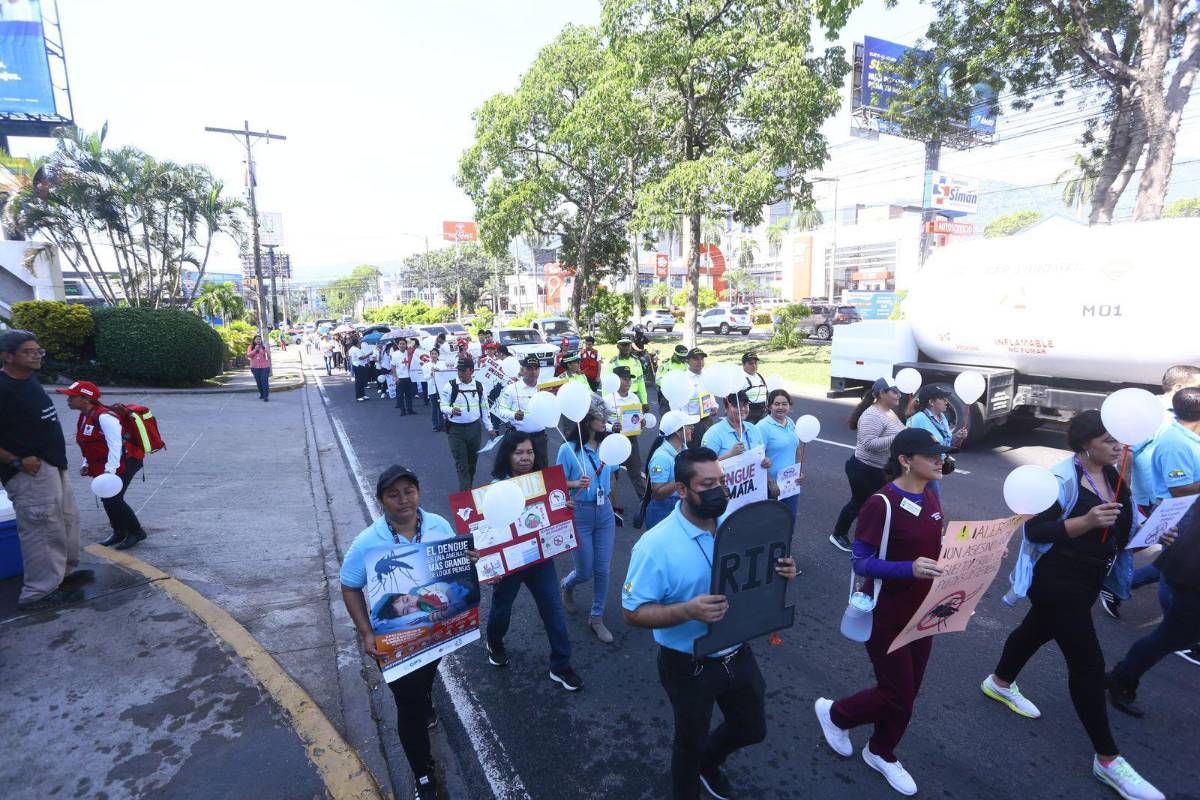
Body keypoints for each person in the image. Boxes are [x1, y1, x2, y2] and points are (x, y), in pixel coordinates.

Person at [983, 411, 1163, 800]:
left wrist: (1155, 528)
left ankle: (998, 682)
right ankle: (1108, 760)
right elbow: (1034, 529)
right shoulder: (1061, 478)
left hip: (1089, 579)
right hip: (1055, 580)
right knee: (1088, 665)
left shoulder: (1115, 475)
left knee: (1035, 632)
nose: (1118, 446)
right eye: (1108, 440)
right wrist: (1085, 522)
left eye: (1118, 439)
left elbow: (1120, 526)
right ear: (1086, 444)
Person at [623, 447, 798, 800]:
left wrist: (784, 573)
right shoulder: (654, 547)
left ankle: (709, 762)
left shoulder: (740, 524)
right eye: (708, 484)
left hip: (738, 650)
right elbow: (632, 612)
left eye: (721, 481)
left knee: (752, 728)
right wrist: (687, 611)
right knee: (689, 743)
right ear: (683, 490)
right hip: (687, 664)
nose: (720, 489)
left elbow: (758, 572)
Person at [814, 428, 953, 797]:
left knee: (909, 691)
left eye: (941, 454)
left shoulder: (930, 497)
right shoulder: (882, 503)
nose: (940, 460)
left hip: (924, 611)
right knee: (897, 694)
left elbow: (937, 549)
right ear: (906, 460)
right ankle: (836, 714)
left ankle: (880, 750)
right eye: (931, 455)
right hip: (886, 612)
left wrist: (975, 558)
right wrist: (908, 569)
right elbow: (861, 562)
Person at [339, 465, 457, 800]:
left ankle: (425, 701)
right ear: (381, 501)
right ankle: (423, 775)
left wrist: (468, 559)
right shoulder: (366, 542)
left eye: (409, 492)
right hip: (392, 642)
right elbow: (349, 586)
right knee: (408, 705)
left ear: (419, 493)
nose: (403, 500)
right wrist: (365, 633)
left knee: (423, 686)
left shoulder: (438, 525)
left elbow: (452, 567)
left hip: (435, 634)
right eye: (394, 494)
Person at [483, 432, 583, 691]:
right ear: (507, 455)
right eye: (519, 453)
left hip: (540, 558)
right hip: (510, 564)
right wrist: (489, 562)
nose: (525, 457)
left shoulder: (543, 482)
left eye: (529, 452)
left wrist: (564, 508)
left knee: (553, 609)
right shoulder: (496, 488)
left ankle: (561, 665)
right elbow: (486, 530)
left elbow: (553, 511)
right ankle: (494, 642)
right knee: (502, 609)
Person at [0, 331, 89, 610]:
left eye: (39, 351)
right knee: (41, 529)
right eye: (29, 352)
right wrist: (15, 461)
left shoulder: (28, 380)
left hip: (53, 464)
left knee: (66, 521)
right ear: (7, 356)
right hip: (28, 471)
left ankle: (62, 574)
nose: (37, 356)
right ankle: (38, 592)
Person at [1103, 365, 1200, 619]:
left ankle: (1116, 582)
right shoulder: (1154, 417)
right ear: (1180, 388)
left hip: (1176, 501)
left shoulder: (1185, 416)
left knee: (1169, 558)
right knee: (1160, 556)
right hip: (1157, 497)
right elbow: (1126, 453)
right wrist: (1126, 495)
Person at [1108, 513, 1200, 716]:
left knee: (1172, 636)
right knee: (1170, 637)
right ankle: (1121, 679)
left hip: (1186, 567)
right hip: (1191, 574)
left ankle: (1121, 676)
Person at [558, 395, 621, 644]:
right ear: (587, 420)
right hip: (579, 513)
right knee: (585, 570)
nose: (604, 421)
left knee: (603, 569)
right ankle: (567, 584)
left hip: (603, 512)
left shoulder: (609, 446)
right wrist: (574, 484)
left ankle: (596, 618)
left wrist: (616, 507)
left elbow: (614, 476)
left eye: (605, 417)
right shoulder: (568, 449)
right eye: (599, 417)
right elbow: (556, 484)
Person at [56, 381, 148, 550]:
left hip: (126, 461)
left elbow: (115, 444)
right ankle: (119, 532)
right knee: (108, 499)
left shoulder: (104, 416)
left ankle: (136, 532)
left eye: (71, 397)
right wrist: (86, 462)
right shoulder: (85, 415)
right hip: (109, 463)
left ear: (86, 399)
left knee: (114, 499)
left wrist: (110, 472)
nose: (67, 400)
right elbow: (89, 443)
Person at [830, 377, 905, 552]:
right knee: (859, 503)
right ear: (882, 393)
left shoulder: (889, 412)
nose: (899, 395)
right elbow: (869, 444)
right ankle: (838, 534)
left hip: (880, 469)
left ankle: (876, 538)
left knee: (880, 505)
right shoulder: (872, 415)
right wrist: (898, 438)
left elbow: (901, 429)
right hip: (863, 469)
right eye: (895, 391)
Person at [439, 356, 496, 491]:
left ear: (471, 371)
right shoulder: (450, 385)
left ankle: (468, 486)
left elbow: (485, 408)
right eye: (458, 370)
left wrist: (490, 428)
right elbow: (443, 405)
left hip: (474, 429)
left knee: (472, 463)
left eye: (463, 370)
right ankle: (466, 494)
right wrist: (450, 410)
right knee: (462, 464)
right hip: (455, 431)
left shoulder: (479, 386)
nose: (460, 373)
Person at [638, 410, 695, 531]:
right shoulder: (661, 458)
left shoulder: (684, 449)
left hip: (682, 504)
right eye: (688, 427)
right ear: (678, 433)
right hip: (664, 511)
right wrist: (682, 478)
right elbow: (658, 493)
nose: (692, 429)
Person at [494, 355, 550, 465]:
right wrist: (513, 415)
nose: (533, 371)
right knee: (520, 469)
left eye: (536, 368)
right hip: (519, 438)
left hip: (540, 438)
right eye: (529, 368)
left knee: (542, 470)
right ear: (522, 370)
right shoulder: (512, 388)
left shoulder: (545, 388)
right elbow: (501, 410)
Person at [759, 389, 805, 519]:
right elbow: (758, 457)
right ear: (769, 406)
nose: (780, 407)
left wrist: (799, 471)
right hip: (772, 487)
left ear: (789, 406)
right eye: (776, 404)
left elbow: (797, 448)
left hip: (790, 484)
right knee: (771, 523)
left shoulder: (790, 422)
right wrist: (770, 482)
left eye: (784, 404)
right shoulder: (762, 427)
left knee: (789, 520)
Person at [605, 365, 648, 501]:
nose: (629, 382)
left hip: (630, 439)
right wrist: (611, 427)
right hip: (612, 439)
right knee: (611, 474)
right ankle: (611, 505)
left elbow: (639, 419)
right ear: (616, 380)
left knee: (635, 472)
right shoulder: (607, 400)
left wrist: (642, 422)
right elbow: (600, 422)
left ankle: (644, 503)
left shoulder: (634, 398)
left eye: (630, 379)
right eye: (625, 379)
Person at [702, 389, 771, 472]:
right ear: (726, 408)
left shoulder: (753, 429)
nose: (742, 409)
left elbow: (761, 455)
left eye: (745, 405)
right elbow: (704, 466)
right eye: (736, 406)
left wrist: (765, 461)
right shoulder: (713, 433)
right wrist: (730, 455)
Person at [906, 385, 955, 500]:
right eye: (942, 398)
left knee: (928, 503)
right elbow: (906, 444)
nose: (946, 402)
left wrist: (957, 437)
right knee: (932, 503)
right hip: (922, 469)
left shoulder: (942, 418)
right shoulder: (917, 419)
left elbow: (944, 441)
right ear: (931, 402)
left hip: (935, 467)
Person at [683, 348, 719, 448]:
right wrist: (685, 425)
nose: (700, 362)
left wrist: (715, 406)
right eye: (696, 359)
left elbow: (710, 393)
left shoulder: (707, 375)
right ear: (688, 361)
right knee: (694, 453)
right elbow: (677, 404)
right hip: (691, 423)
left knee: (710, 448)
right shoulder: (683, 378)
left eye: (702, 359)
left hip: (707, 420)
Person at [609, 337, 650, 414]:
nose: (627, 347)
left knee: (635, 423)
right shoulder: (613, 363)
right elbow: (607, 385)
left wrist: (644, 401)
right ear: (618, 346)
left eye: (628, 345)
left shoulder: (636, 361)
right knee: (620, 424)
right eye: (624, 345)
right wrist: (607, 403)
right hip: (619, 399)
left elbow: (641, 382)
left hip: (634, 398)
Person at [657, 343, 689, 416]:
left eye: (684, 357)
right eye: (680, 357)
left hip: (682, 395)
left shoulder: (686, 364)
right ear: (674, 354)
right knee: (666, 416)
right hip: (667, 395)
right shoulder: (666, 363)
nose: (682, 359)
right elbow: (658, 380)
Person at [740, 352, 768, 423]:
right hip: (747, 415)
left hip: (763, 413)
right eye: (750, 363)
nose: (754, 365)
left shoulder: (759, 376)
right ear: (743, 365)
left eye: (756, 363)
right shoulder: (740, 379)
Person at [393, 338, 418, 416]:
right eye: (400, 344)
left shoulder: (409, 353)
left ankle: (409, 409)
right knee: (400, 395)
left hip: (409, 377)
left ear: (406, 345)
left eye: (403, 344)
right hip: (400, 378)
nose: (401, 345)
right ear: (398, 345)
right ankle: (402, 410)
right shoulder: (395, 354)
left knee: (409, 395)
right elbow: (393, 366)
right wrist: (395, 377)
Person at [247, 334, 272, 402]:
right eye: (257, 339)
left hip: (265, 367)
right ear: (254, 340)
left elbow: (269, 357)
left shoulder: (264, 347)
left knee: (264, 381)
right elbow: (249, 355)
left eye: (259, 339)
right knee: (259, 382)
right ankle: (262, 394)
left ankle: (266, 396)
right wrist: (255, 350)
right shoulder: (251, 347)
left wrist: (266, 349)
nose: (258, 340)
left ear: (261, 340)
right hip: (255, 367)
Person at [348, 336, 372, 402]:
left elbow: (350, 356)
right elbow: (361, 357)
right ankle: (358, 396)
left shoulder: (352, 348)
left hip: (357, 365)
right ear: (357, 343)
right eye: (359, 342)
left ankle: (362, 395)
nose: (360, 343)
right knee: (359, 381)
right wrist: (369, 354)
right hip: (359, 366)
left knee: (361, 381)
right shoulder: (356, 349)